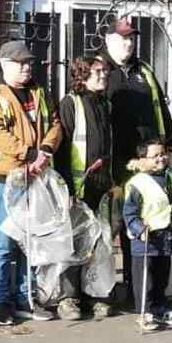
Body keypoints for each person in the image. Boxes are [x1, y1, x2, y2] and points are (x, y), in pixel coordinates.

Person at [0, 39, 63, 326]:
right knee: (3, 242)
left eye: (28, 62)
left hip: (36, 175)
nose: (27, 68)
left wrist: (46, 151)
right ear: (4, 64)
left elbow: (55, 124)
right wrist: (29, 154)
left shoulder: (39, 91)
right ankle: (1, 302)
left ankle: (26, 298)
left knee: (32, 240)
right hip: (7, 177)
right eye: (20, 63)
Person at [100, 17, 172, 297]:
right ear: (109, 40)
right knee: (118, 224)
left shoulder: (144, 70)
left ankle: (141, 288)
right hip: (117, 161)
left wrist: (167, 137)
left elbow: (160, 105)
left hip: (148, 159)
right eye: (122, 38)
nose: (128, 43)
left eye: (131, 38)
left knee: (146, 220)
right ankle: (105, 290)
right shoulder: (103, 70)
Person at [53, 56, 115, 320]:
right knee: (74, 243)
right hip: (77, 187)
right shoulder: (71, 103)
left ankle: (98, 296)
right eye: (97, 71)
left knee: (101, 244)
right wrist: (65, 187)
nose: (103, 75)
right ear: (82, 74)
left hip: (102, 187)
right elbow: (62, 149)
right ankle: (68, 298)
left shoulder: (106, 104)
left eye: (105, 71)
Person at [122, 139, 172, 330]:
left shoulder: (170, 177)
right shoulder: (137, 183)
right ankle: (144, 312)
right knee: (145, 279)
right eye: (155, 156)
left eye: (162, 154)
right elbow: (129, 213)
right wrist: (139, 229)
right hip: (145, 239)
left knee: (162, 277)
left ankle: (160, 308)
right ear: (142, 159)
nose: (161, 158)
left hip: (165, 237)